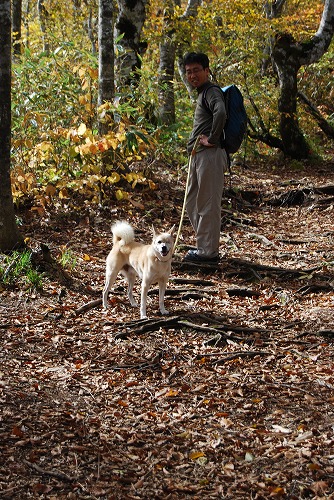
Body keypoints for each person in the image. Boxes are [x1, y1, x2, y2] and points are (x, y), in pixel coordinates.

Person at [183, 52, 228, 263]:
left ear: (207, 71)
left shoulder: (211, 91)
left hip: (209, 155)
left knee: (207, 203)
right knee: (192, 202)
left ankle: (208, 253)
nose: (192, 75)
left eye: (196, 70)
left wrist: (213, 138)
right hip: (199, 156)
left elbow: (221, 112)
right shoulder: (203, 93)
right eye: (189, 71)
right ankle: (204, 245)